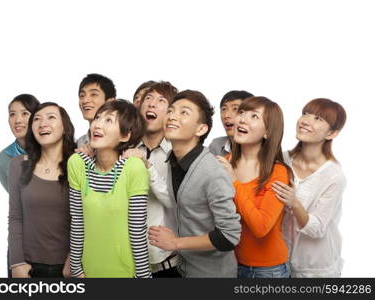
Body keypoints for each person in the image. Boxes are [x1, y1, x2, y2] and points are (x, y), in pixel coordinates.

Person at [148, 90, 241, 278]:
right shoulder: (171, 159)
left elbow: (229, 236)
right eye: (171, 111)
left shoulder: (213, 172)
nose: (172, 116)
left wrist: (176, 243)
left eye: (184, 112)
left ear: (201, 129)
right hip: (184, 270)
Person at [68, 100, 151, 278]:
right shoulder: (77, 163)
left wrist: (144, 278)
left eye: (109, 120)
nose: (97, 124)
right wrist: (76, 270)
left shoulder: (134, 168)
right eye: (98, 118)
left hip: (126, 272)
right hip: (88, 271)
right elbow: (77, 221)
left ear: (125, 136)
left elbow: (137, 231)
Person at [217, 96, 292, 278]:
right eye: (241, 112)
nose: (242, 118)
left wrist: (234, 182)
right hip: (229, 264)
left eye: (254, 116)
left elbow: (261, 227)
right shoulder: (224, 163)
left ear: (267, 132)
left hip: (267, 270)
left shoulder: (278, 172)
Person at [272, 98, 347, 277]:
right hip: (279, 263)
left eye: (318, 119)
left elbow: (317, 229)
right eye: (305, 114)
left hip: (315, 269)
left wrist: (294, 203)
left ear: (332, 134)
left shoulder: (334, 175)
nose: (305, 121)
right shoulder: (281, 160)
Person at [8, 102, 76, 278]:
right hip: (27, 266)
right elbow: (15, 217)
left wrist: (74, 259)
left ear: (65, 127)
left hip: (67, 267)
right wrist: (16, 263)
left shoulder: (79, 165)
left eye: (51, 117)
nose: (42, 123)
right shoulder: (18, 165)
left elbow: (85, 219)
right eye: (37, 119)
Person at [122, 81, 181, 277]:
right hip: (125, 261)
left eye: (161, 100)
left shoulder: (178, 153)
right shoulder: (123, 148)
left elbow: (175, 201)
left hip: (166, 266)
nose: (151, 104)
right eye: (148, 98)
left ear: (171, 113)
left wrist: (148, 168)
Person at [0, 94, 40, 192]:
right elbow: (17, 201)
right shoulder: (2, 160)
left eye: (24, 114)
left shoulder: (55, 148)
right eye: (12, 114)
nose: (17, 121)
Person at [209, 90, 253, 157]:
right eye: (224, 109)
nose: (226, 115)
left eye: (235, 109)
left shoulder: (264, 148)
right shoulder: (216, 146)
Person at [77, 73, 116, 147]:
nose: (85, 100)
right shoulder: (80, 143)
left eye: (93, 94)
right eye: (82, 95)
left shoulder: (123, 140)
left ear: (110, 101)